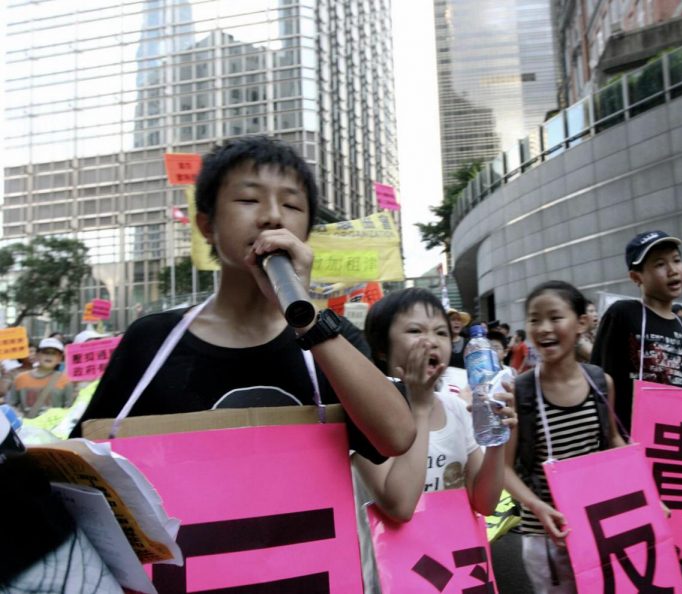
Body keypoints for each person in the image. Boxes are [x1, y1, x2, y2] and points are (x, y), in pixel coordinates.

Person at [72, 135, 415, 462]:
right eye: (249, 200)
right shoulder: (151, 340)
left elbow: (396, 437)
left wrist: (307, 320)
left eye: (292, 204)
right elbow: (83, 457)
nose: (272, 216)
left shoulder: (333, 339)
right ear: (207, 225)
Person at [352, 288, 515, 591]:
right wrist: (421, 408)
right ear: (382, 348)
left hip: (456, 569)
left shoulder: (454, 406)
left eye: (441, 332)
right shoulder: (365, 410)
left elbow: (485, 503)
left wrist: (497, 435)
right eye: (415, 330)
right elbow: (400, 507)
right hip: (395, 579)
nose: (431, 340)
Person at [506, 281, 624, 593]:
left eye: (555, 317)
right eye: (534, 319)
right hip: (545, 534)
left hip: (598, 523)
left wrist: (644, 495)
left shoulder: (601, 382)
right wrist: (535, 507)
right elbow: (504, 470)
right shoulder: (519, 391)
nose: (544, 328)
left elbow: (613, 442)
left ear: (581, 322)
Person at [590, 230, 682, 433]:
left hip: (674, 437)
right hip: (629, 437)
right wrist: (612, 436)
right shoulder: (623, 314)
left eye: (676, 260)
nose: (672, 270)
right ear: (636, 277)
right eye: (660, 264)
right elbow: (599, 379)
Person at [9, 338, 72, 419]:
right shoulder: (20, 378)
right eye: (45, 352)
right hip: (26, 428)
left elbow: (69, 409)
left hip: (54, 429)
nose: (49, 356)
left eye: (54, 353)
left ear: (60, 358)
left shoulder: (65, 380)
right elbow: (11, 406)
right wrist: (19, 417)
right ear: (37, 355)